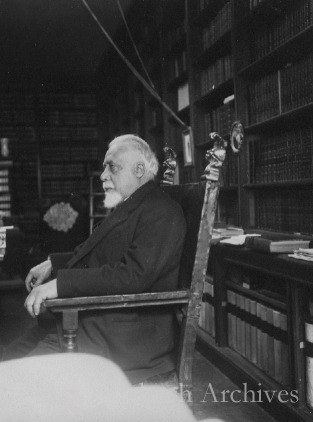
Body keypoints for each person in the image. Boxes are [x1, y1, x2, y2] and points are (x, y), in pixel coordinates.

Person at [2, 134, 186, 384]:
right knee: (6, 362)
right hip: (91, 322)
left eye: (112, 167)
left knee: (13, 384)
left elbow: (132, 276)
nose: (102, 175)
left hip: (121, 339)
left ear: (139, 169)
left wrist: (58, 285)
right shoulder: (132, 205)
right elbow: (100, 255)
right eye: (104, 167)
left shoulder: (162, 212)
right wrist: (53, 264)